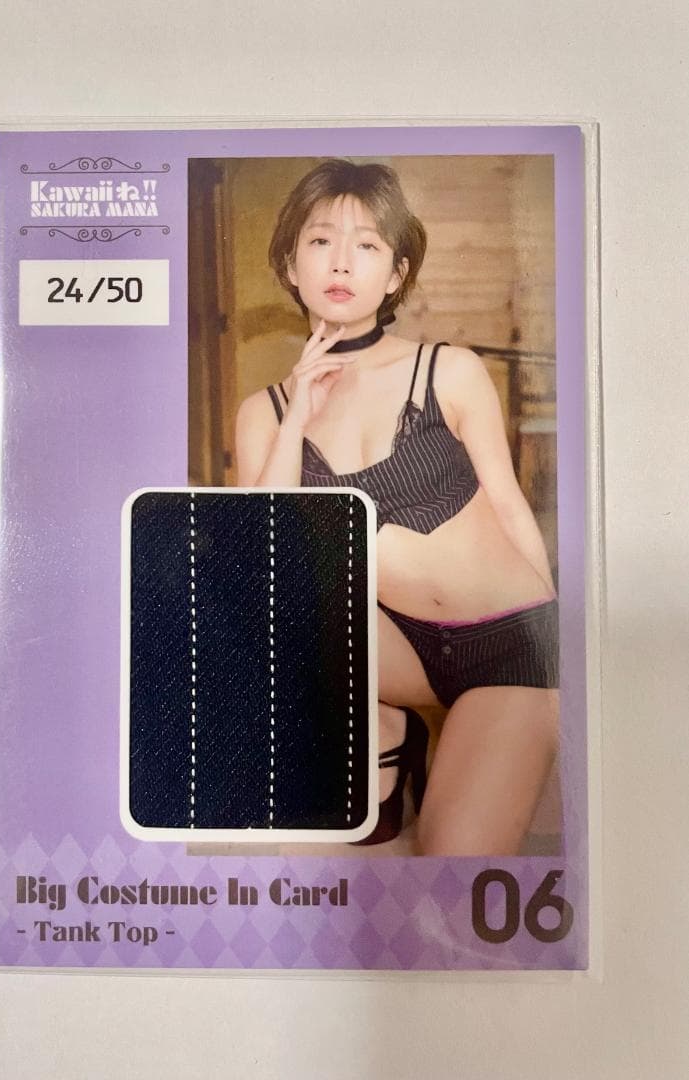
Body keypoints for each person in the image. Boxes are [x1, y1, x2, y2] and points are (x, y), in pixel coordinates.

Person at [234, 159, 558, 855]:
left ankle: (414, 736)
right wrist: (297, 420)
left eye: (367, 245)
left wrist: (564, 651)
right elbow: (263, 557)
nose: (341, 262)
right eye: (321, 241)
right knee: (265, 597)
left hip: (506, 644)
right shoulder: (264, 412)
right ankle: (384, 727)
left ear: (395, 274)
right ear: (290, 264)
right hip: (395, 651)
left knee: (452, 859)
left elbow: (509, 506)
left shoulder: (447, 371)